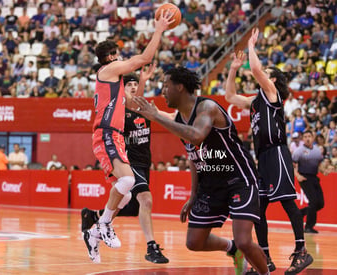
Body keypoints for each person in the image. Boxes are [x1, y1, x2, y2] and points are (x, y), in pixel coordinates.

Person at [133, 67, 268, 275]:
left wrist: (157, 117)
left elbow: (196, 136)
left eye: (166, 86)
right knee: (194, 242)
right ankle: (232, 249)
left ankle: (263, 272)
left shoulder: (207, 107)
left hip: (238, 177)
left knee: (244, 240)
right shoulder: (179, 118)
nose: (163, 91)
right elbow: (194, 157)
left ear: (180, 87)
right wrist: (193, 194)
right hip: (210, 183)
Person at [82, 10, 173, 264]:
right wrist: (159, 30)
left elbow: (134, 105)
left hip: (115, 137)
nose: (120, 56)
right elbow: (144, 57)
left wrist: (142, 82)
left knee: (127, 192)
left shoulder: (115, 83)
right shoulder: (109, 70)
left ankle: (95, 230)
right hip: (107, 134)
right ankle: (101, 225)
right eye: (117, 53)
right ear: (110, 57)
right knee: (128, 181)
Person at [224, 29, 313, 275]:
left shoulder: (272, 96)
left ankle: (301, 251)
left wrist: (252, 45)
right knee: (258, 208)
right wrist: (233, 68)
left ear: (272, 80)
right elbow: (230, 96)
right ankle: (265, 256)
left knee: (287, 203)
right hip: (262, 158)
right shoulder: (255, 101)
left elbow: (255, 71)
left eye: (267, 75)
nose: (263, 76)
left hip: (277, 154)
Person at [292, 130, 325, 234]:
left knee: (320, 203)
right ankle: (308, 227)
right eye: (305, 136)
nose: (307, 138)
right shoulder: (299, 151)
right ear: (303, 139)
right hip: (304, 177)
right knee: (313, 202)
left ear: (313, 137)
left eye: (309, 136)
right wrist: (297, 175)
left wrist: (324, 170)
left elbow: (319, 164)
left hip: (314, 177)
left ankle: (300, 213)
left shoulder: (317, 151)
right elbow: (291, 164)